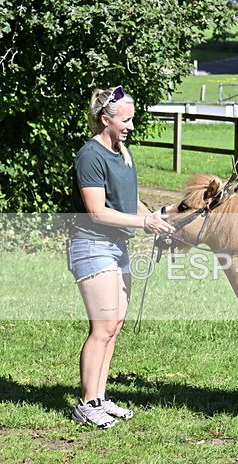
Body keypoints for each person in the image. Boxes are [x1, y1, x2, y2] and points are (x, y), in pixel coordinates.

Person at [67, 85, 175, 428]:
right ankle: (85, 404)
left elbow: (130, 203)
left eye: (131, 119)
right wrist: (143, 220)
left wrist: (158, 219)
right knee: (102, 327)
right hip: (92, 246)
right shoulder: (90, 156)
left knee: (114, 326)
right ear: (105, 119)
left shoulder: (122, 154)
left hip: (118, 247)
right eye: (125, 120)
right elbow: (96, 212)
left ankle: (99, 398)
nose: (130, 125)